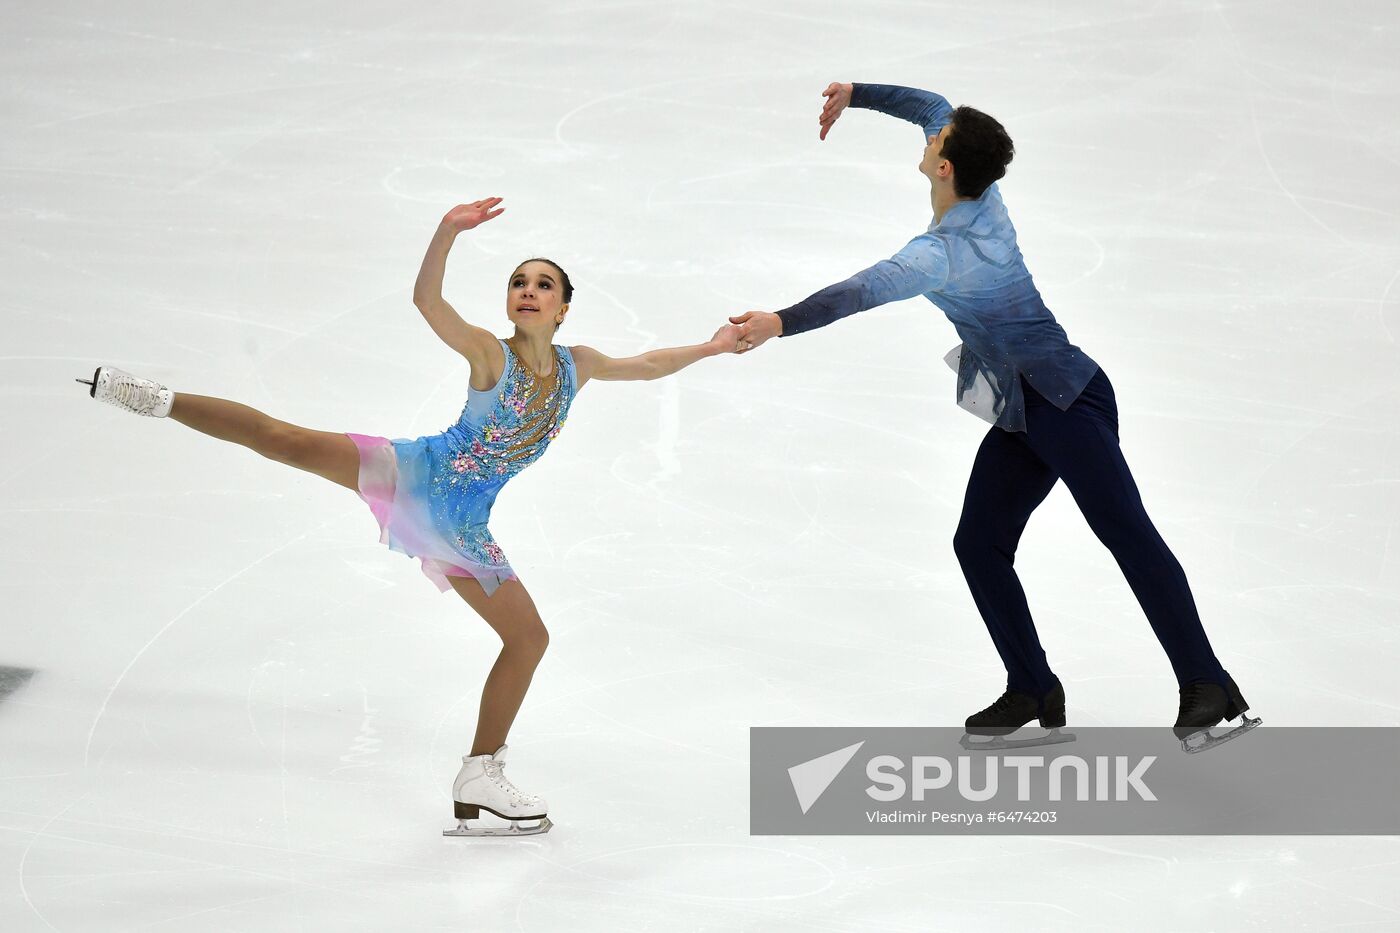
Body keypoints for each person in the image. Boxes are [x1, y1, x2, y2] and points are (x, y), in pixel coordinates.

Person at [77, 197, 745, 834]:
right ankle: (154, 398)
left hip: (463, 527)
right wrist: (447, 232)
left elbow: (650, 363)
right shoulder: (492, 353)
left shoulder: (580, 366)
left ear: (564, 308)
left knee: (529, 639)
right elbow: (428, 302)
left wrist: (713, 347)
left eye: (544, 284)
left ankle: (481, 772)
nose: (528, 290)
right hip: (418, 474)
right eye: (518, 282)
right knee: (286, 439)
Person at [729, 82, 1258, 753]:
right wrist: (857, 94)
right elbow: (932, 106)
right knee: (978, 543)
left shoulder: (940, 256)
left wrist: (781, 321)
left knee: (1125, 530)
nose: (929, 138)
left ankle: (1209, 684)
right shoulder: (985, 194)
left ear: (944, 167)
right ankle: (1034, 686)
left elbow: (857, 292)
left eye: (937, 143)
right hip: (1022, 409)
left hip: (1066, 399)